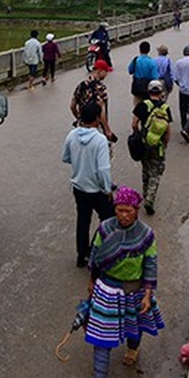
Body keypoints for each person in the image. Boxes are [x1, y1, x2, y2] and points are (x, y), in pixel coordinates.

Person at [84, 186, 165, 378]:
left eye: (128, 211)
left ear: (136, 210)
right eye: (120, 210)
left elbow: (150, 263)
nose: (124, 215)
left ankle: (133, 349)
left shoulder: (146, 235)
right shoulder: (105, 228)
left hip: (134, 289)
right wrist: (92, 281)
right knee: (102, 335)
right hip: (107, 288)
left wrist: (147, 294)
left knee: (134, 326)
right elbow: (96, 257)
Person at [63, 101, 115, 269]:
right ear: (97, 118)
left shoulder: (72, 135)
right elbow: (104, 170)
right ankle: (94, 250)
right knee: (108, 219)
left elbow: (66, 158)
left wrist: (80, 162)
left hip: (79, 187)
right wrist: (107, 189)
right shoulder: (100, 140)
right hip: (97, 189)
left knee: (83, 220)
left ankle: (81, 254)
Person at [131, 80, 171, 215]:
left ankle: (145, 193)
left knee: (146, 168)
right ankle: (150, 198)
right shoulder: (165, 108)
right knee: (156, 171)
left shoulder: (143, 105)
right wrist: (165, 144)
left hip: (144, 142)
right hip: (158, 145)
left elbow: (134, 123)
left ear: (148, 92)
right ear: (161, 93)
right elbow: (167, 130)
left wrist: (137, 134)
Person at [70, 59, 118, 143]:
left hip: (82, 125)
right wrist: (107, 130)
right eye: (105, 72)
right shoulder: (100, 88)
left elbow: (72, 106)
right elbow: (102, 112)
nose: (106, 74)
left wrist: (79, 118)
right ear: (100, 71)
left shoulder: (81, 85)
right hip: (96, 126)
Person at [127, 40, 159, 106]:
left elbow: (130, 71)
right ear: (149, 50)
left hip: (137, 87)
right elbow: (155, 77)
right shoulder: (152, 62)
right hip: (148, 88)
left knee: (137, 106)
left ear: (140, 49)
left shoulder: (136, 60)